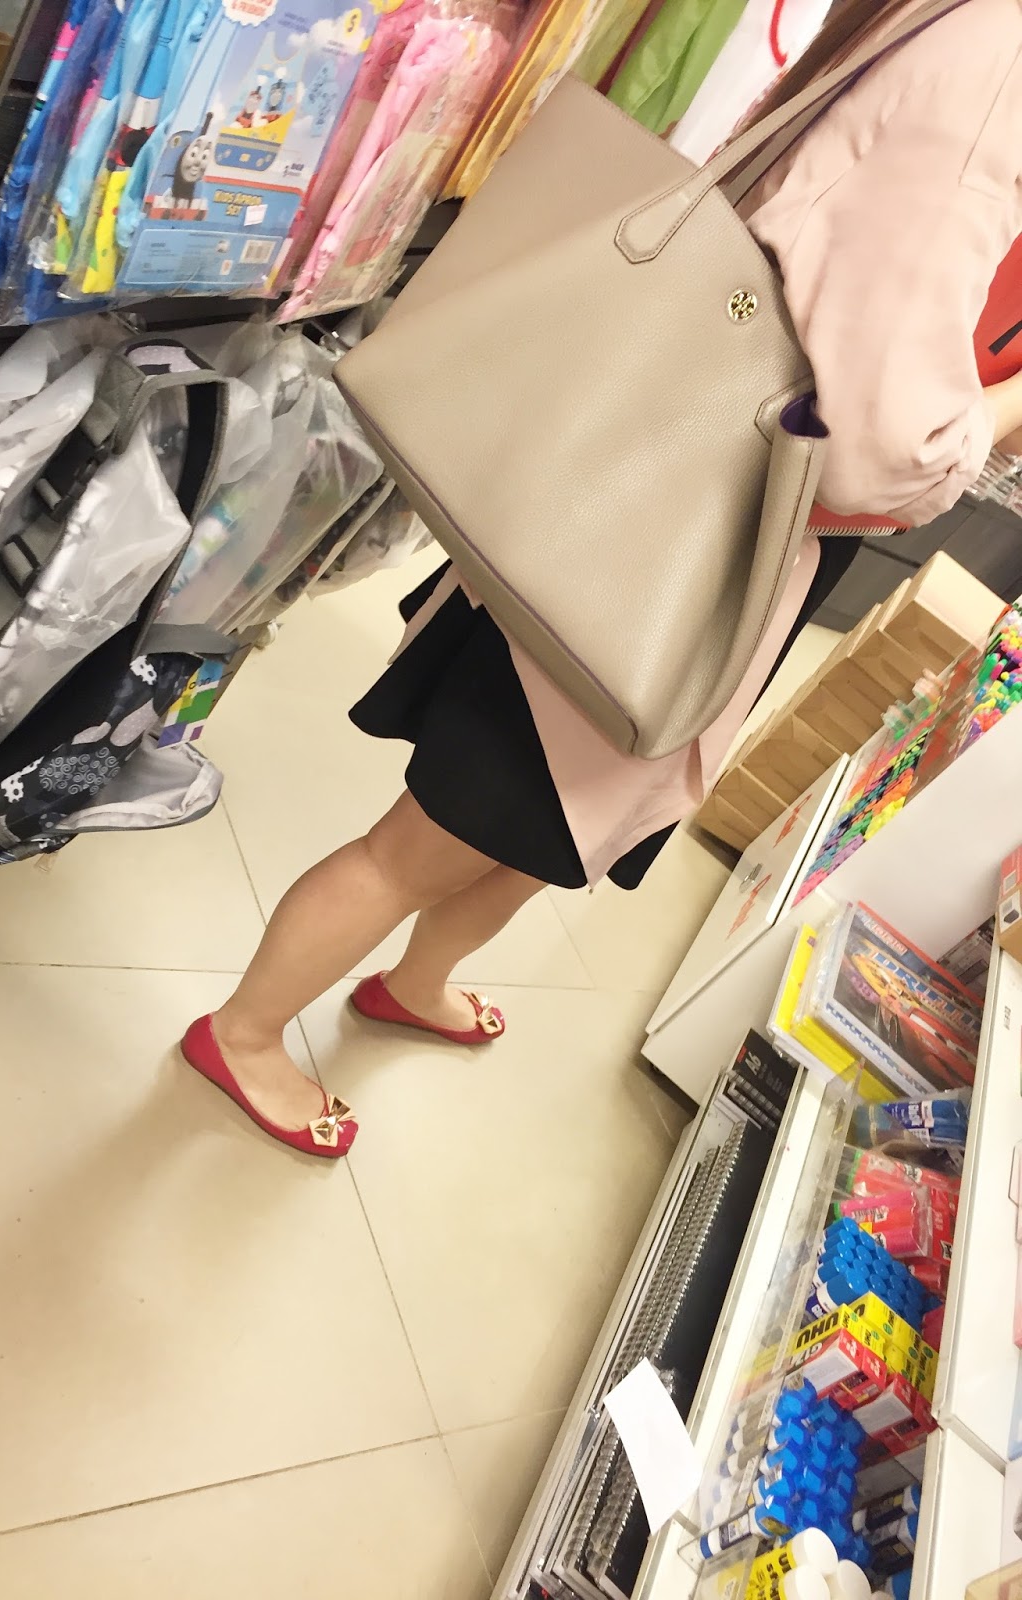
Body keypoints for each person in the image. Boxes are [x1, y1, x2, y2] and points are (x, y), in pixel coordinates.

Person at [181, 0, 1022, 1157]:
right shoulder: (1000, 61)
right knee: (436, 834)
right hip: (669, 541)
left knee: (560, 829)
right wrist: (1002, 411)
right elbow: (880, 443)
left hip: (688, 511)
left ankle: (415, 982)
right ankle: (245, 1034)